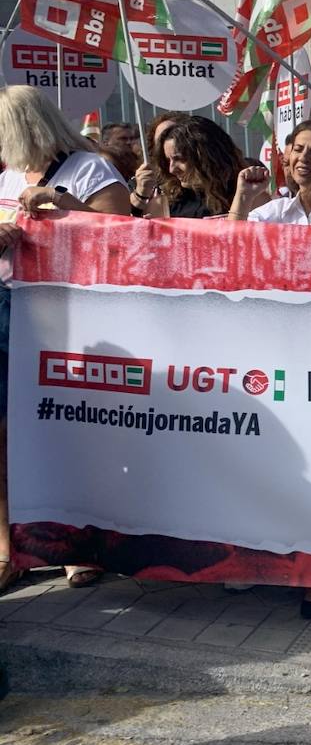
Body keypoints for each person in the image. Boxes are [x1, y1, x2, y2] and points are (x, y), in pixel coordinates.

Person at [0, 86, 131, 595]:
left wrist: (59, 202)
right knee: (7, 436)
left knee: (67, 430)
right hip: (13, 309)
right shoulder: (10, 176)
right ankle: (12, 549)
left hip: (76, 318)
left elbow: (122, 236)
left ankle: (78, 544)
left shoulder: (89, 170)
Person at [159, 116, 245, 218]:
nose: (172, 169)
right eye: (168, 160)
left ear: (206, 156)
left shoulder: (247, 193)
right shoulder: (170, 200)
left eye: (179, 159)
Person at [129, 111, 190, 218]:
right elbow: (124, 222)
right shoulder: (141, 180)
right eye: (162, 139)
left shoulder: (202, 183)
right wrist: (141, 194)